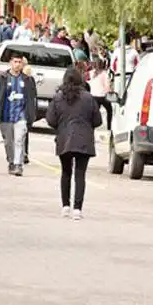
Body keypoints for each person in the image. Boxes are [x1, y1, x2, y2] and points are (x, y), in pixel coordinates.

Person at [46, 66, 101, 220]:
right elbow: (98, 120)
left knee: (66, 172)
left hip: (64, 139)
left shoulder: (58, 98)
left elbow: (50, 119)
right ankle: (77, 208)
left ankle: (65, 206)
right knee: (80, 174)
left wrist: (61, 126)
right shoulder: (88, 98)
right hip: (84, 139)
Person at [0, 52, 37, 175]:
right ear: (10, 63)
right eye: (15, 62)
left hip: (21, 115)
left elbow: (32, 98)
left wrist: (31, 114)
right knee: (9, 141)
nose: (17, 64)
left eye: (19, 62)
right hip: (6, 115)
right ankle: (11, 161)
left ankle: (18, 164)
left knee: (19, 140)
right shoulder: (2, 78)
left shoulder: (28, 80)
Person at [88, 57, 113, 129]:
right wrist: (110, 91)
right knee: (109, 111)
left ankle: (92, 128)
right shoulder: (104, 73)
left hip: (93, 96)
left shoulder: (91, 73)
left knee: (94, 114)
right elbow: (107, 86)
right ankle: (109, 127)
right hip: (103, 96)